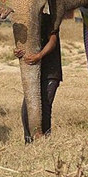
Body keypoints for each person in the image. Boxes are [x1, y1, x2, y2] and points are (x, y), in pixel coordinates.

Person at [15, 12, 62, 143]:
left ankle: (45, 139)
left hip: (51, 72)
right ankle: (28, 140)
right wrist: (18, 51)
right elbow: (23, 47)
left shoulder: (49, 20)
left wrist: (39, 56)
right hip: (34, 72)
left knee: (45, 106)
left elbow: (52, 42)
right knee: (27, 107)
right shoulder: (26, 23)